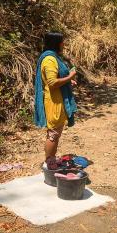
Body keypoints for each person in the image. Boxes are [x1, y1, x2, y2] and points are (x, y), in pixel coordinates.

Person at [34, 32, 78, 170]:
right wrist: (70, 75)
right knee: (53, 134)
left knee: (56, 133)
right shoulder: (49, 60)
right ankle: (49, 163)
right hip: (54, 102)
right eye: (62, 42)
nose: (63, 45)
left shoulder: (52, 58)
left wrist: (68, 81)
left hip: (57, 100)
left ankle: (51, 160)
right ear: (57, 43)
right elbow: (52, 82)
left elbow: (56, 78)